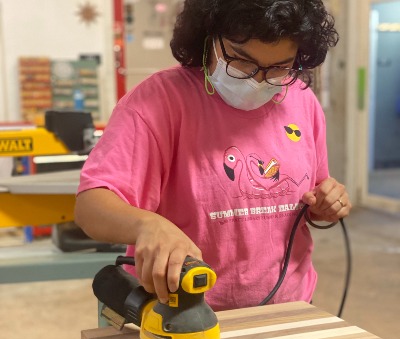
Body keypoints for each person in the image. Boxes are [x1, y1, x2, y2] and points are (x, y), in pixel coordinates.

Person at [75, 0, 352, 312]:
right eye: (242, 61)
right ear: (209, 38)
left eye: (279, 67)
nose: (258, 81)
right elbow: (91, 206)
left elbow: (311, 196)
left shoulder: (301, 101)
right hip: (182, 313)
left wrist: (327, 203)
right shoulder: (158, 102)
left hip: (290, 308)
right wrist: (145, 226)